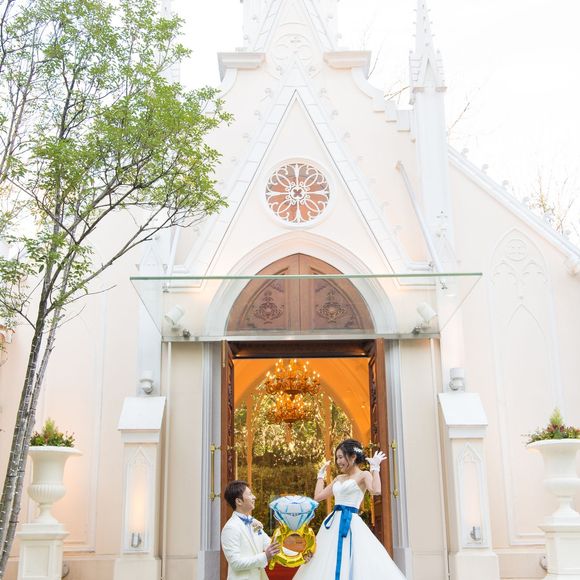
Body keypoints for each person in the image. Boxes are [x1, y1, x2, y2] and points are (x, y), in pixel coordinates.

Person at [293, 439, 406, 580]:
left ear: (353, 457)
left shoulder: (364, 475)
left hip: (351, 523)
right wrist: (320, 477)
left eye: (341, 457)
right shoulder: (339, 478)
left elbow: (376, 490)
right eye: (337, 458)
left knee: (353, 557)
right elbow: (318, 497)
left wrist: (375, 468)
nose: (338, 461)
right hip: (333, 524)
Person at [221, 480, 280, 580]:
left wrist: (301, 556)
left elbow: (273, 546)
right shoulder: (230, 528)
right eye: (250, 494)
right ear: (239, 501)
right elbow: (236, 563)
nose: (254, 497)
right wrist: (265, 556)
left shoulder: (253, 523)